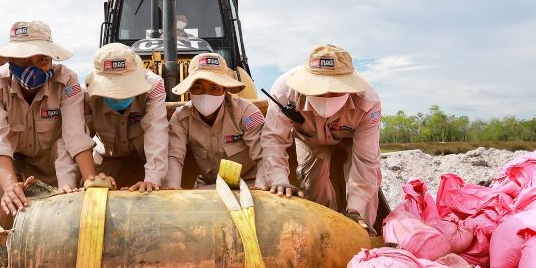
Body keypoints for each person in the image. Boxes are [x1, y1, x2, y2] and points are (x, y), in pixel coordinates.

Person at [0, 21, 97, 220]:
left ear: (51, 59)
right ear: (10, 59)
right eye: (23, 60)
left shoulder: (67, 81)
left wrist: (91, 182)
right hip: (11, 163)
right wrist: (10, 187)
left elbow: (75, 134)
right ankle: (4, 247)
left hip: (54, 163)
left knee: (69, 206)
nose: (33, 68)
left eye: (42, 59)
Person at [259, 44, 383, 229]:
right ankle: (325, 231)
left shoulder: (368, 101)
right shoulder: (285, 91)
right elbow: (273, 140)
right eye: (318, 90)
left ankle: (361, 233)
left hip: (350, 137)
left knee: (365, 195)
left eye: (336, 91)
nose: (326, 96)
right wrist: (278, 179)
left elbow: (366, 162)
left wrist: (356, 210)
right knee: (312, 184)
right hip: (309, 138)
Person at [57, 43, 169, 191]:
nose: (119, 95)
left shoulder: (153, 86)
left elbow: (156, 131)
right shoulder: (85, 96)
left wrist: (153, 179)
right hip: (109, 157)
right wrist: (67, 184)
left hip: (148, 156)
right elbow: (74, 138)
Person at [165, 53, 266, 189]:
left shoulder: (246, 112)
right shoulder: (180, 118)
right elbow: (174, 156)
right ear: (189, 90)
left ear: (225, 90)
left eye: (214, 88)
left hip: (249, 185)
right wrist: (172, 188)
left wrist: (262, 186)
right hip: (208, 187)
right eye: (198, 87)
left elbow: (264, 155)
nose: (206, 94)